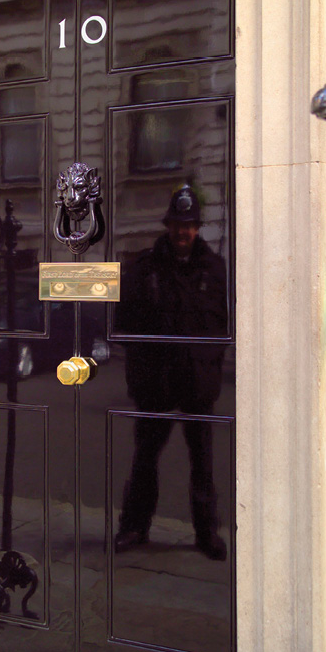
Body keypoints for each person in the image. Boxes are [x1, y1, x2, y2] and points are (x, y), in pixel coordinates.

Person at [115, 185, 228, 560]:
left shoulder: (215, 269)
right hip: (156, 383)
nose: (184, 232)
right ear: (169, 225)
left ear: (198, 227)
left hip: (197, 381)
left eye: (191, 225)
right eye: (179, 224)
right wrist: (143, 368)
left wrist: (210, 363)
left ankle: (206, 533)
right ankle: (134, 527)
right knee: (145, 458)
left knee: (203, 463)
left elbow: (225, 325)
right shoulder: (144, 268)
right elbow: (124, 325)